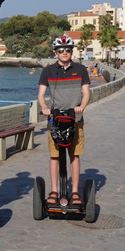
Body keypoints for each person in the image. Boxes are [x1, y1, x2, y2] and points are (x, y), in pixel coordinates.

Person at [37, 35, 91, 208]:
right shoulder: (48, 71)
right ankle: (54, 191)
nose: (64, 52)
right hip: (55, 119)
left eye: (68, 49)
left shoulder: (81, 69)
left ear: (71, 51)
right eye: (61, 50)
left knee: (74, 154)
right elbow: (40, 95)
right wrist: (45, 107)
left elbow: (87, 92)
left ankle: (74, 192)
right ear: (55, 52)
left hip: (75, 119)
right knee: (54, 156)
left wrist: (81, 106)